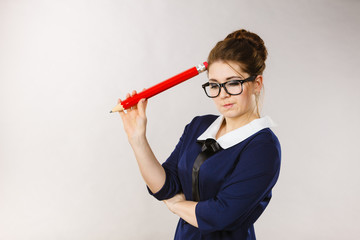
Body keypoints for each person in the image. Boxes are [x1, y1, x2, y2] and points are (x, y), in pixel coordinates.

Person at [118, 29, 281, 240]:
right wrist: (137, 139)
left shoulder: (263, 147)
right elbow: (165, 186)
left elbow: (220, 215)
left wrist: (176, 205)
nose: (223, 95)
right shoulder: (199, 126)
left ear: (256, 84)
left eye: (233, 83)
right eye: (214, 85)